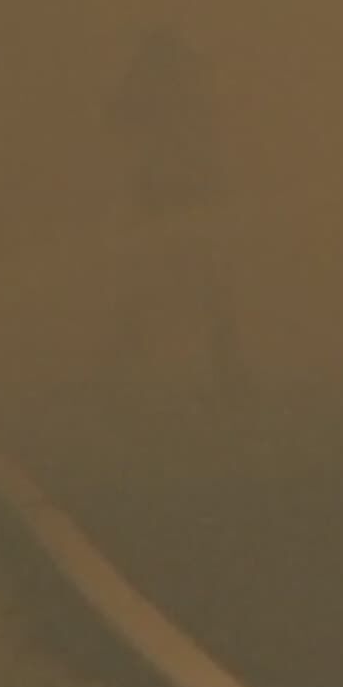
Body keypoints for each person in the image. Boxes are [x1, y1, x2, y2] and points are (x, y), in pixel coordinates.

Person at [104, 22, 250, 405]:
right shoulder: (194, 78)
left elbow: (116, 119)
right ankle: (225, 363)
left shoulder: (156, 81)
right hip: (187, 189)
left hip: (166, 190)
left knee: (152, 274)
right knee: (202, 276)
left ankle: (127, 357)